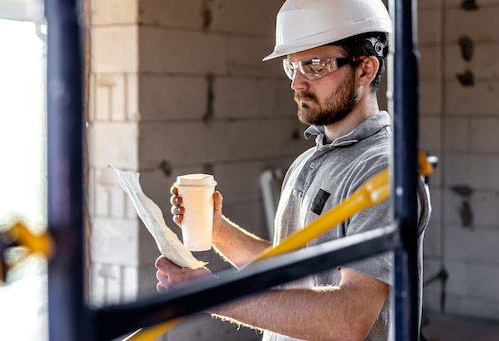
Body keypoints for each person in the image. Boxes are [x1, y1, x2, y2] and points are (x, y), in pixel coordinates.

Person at [155, 0, 432, 340]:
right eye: (292, 66)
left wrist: (210, 293)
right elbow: (290, 271)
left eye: (315, 66)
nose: (297, 83)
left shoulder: (382, 171)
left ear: (366, 69)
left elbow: (348, 319)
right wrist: (218, 231)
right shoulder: (307, 162)